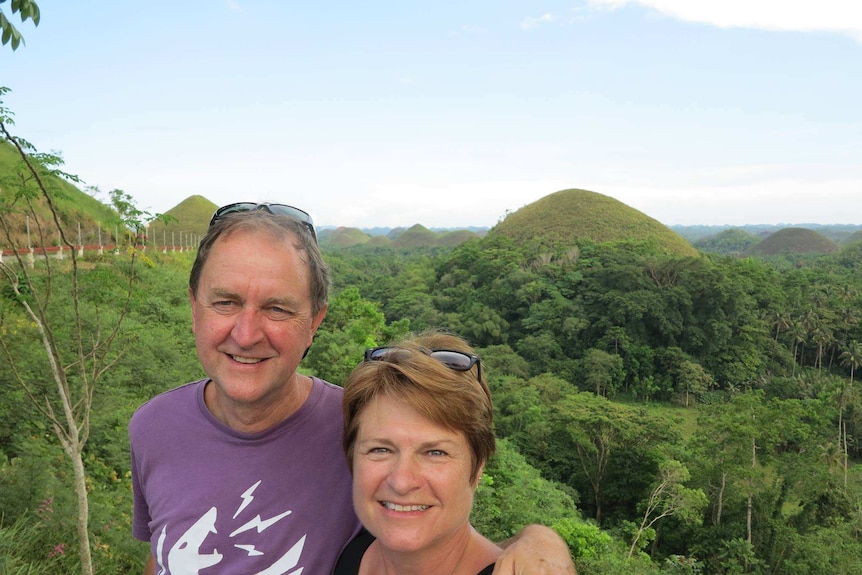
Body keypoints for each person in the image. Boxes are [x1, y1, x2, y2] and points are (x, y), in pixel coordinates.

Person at [130, 203, 576, 574]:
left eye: (277, 308)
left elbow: (440, 522)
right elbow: (162, 553)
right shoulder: (153, 428)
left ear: (314, 322)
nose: (246, 334)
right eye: (225, 302)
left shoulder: (356, 424)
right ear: (194, 307)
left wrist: (540, 539)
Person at [334, 332, 502, 574]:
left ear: (477, 469)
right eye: (380, 449)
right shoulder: (352, 552)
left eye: (435, 453)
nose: (402, 482)